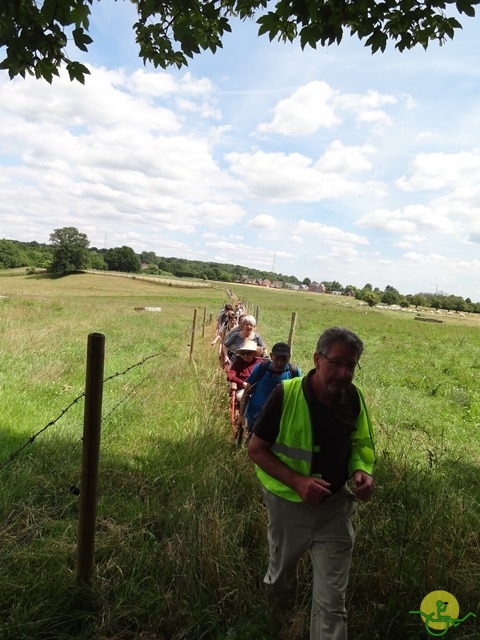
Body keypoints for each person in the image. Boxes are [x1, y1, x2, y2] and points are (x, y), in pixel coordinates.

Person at [248, 327, 375, 640]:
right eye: (337, 363)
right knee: (281, 577)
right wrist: (298, 482)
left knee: (332, 603)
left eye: (351, 366)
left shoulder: (354, 397)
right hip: (289, 507)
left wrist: (362, 470)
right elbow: (256, 449)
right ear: (318, 359)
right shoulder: (286, 395)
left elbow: (361, 443)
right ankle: (275, 621)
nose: (344, 373)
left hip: (336, 509)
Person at [240, 342, 302, 437]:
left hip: (279, 420)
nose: (280, 363)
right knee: (252, 444)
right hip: (255, 417)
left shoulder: (294, 372)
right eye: (277, 359)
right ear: (271, 356)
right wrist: (241, 415)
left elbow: (300, 396)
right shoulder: (261, 369)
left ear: (289, 358)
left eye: (284, 359)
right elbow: (247, 392)